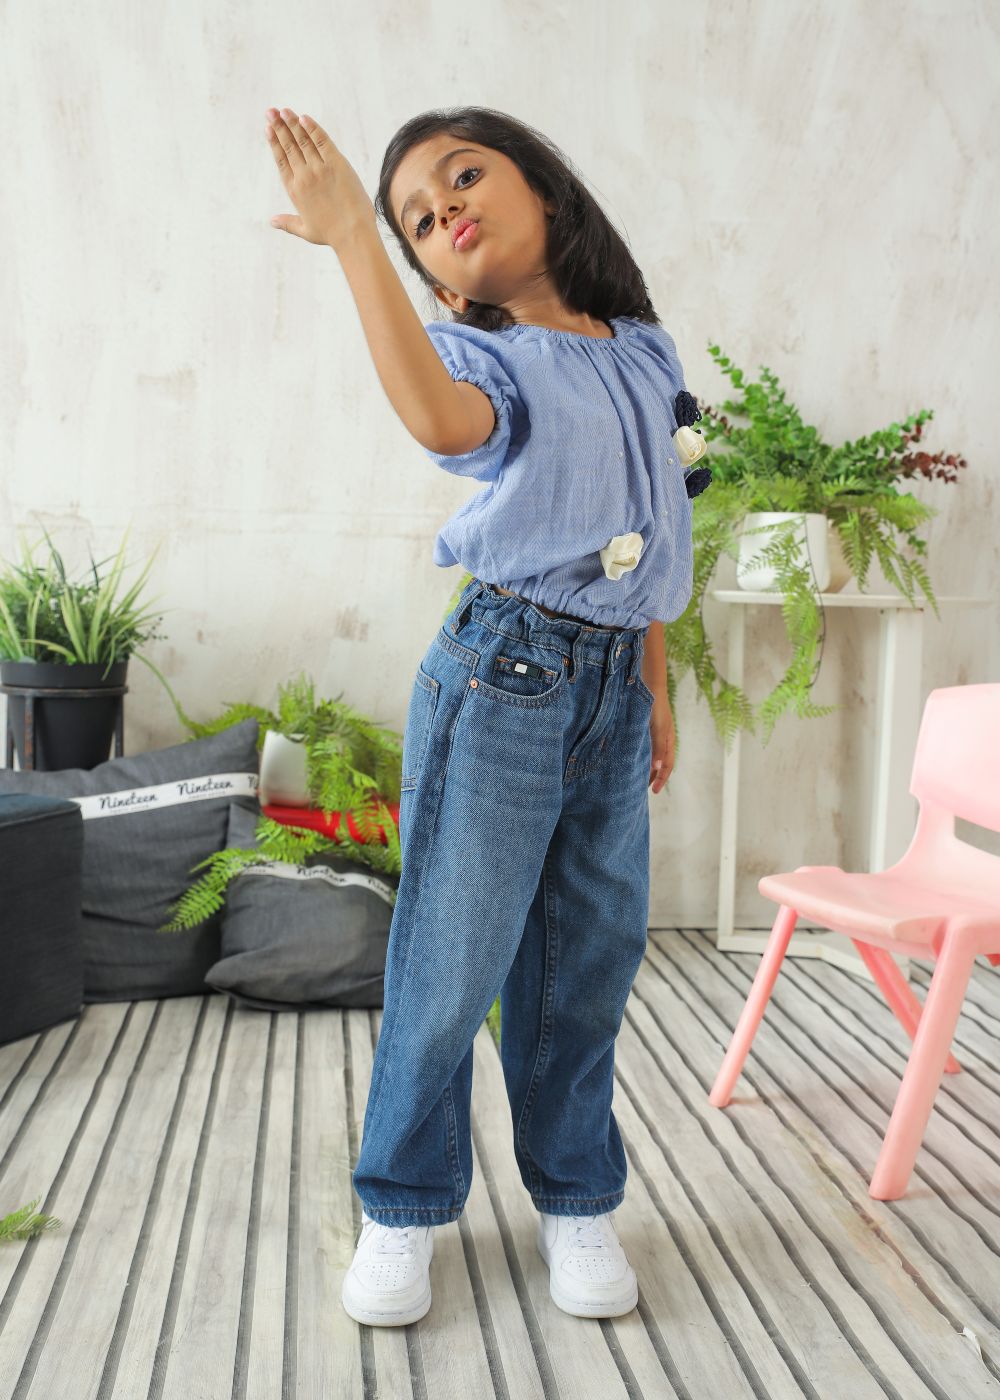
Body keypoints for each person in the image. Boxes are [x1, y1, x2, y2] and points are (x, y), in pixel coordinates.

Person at [264, 103, 698, 1327]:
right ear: (436, 278)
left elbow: (660, 522)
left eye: (463, 175)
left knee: (586, 964)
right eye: (417, 216)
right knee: (451, 965)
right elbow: (439, 422)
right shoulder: (482, 359)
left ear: (545, 189)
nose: (443, 206)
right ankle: (402, 1203)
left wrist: (654, 686)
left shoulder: (647, 349)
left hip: (612, 691)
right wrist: (355, 239)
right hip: (502, 677)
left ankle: (575, 1196)